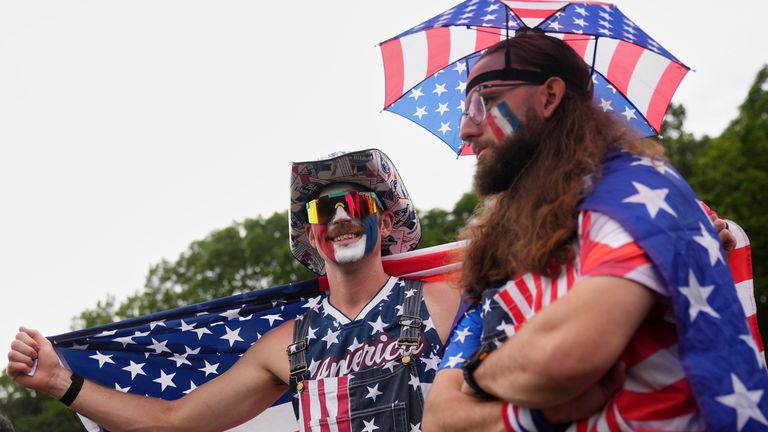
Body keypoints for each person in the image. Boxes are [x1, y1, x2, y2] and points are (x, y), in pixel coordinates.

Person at [423, 31, 768, 432]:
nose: (466, 128)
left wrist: (476, 375)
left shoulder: (636, 194)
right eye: (466, 108)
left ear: (550, 96)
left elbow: (567, 355)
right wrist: (539, 412)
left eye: (485, 102)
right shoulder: (499, 259)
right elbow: (439, 419)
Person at [6, 149, 460, 431]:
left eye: (357, 203)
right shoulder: (286, 345)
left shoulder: (445, 301)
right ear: (312, 234)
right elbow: (174, 421)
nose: (341, 216)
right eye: (325, 209)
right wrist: (59, 381)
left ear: (383, 220)